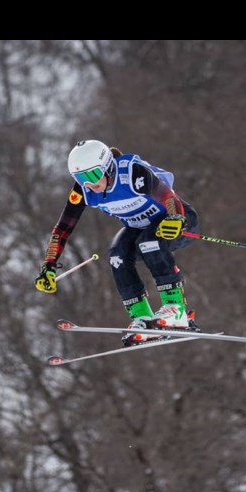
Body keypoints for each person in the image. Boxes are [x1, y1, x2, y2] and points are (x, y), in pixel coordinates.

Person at [35, 140, 202, 346]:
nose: (89, 184)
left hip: (178, 223)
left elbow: (168, 196)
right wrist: (49, 264)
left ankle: (176, 310)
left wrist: (176, 219)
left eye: (93, 175)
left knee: (150, 242)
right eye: (80, 178)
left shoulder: (133, 173)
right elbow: (63, 228)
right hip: (140, 228)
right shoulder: (83, 190)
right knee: (117, 255)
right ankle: (142, 317)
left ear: (108, 168)